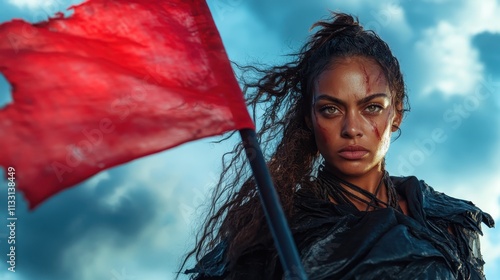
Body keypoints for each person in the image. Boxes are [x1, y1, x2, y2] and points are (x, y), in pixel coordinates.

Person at [179, 13, 494, 279]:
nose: (351, 129)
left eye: (371, 107)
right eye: (331, 109)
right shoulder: (273, 231)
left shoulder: (449, 220)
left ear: (396, 114)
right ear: (309, 118)